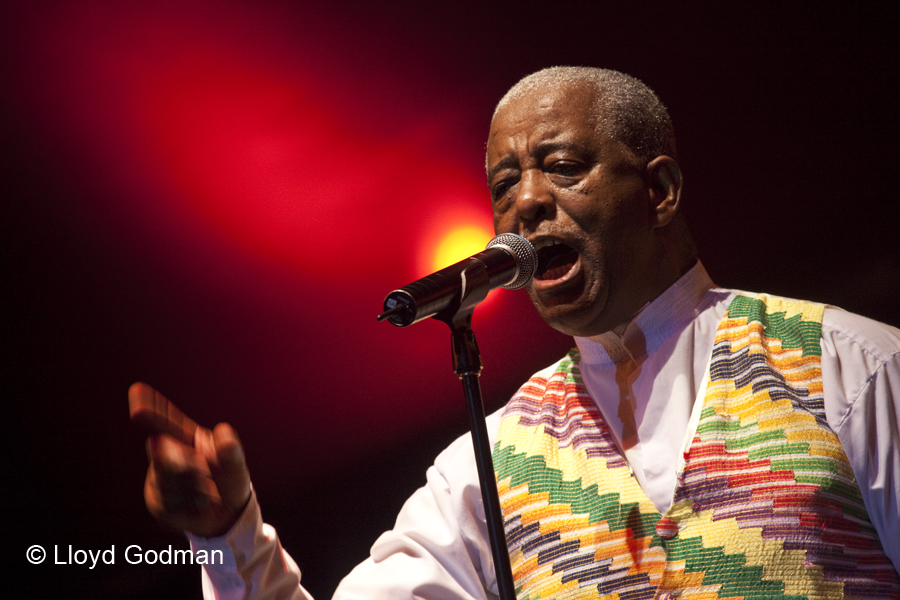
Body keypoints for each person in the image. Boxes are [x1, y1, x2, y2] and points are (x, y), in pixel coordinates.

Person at [130, 66, 900, 599]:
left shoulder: (849, 367)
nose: (526, 203)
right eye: (504, 186)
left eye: (561, 167)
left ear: (659, 190)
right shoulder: (488, 467)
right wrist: (230, 535)